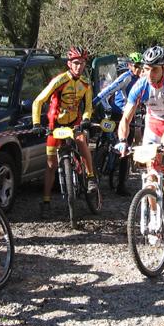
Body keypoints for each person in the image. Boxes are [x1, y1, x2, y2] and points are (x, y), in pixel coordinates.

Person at [116, 45, 164, 204]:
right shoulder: (140, 86)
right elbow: (125, 118)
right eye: (146, 69)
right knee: (151, 176)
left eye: (154, 70)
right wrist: (123, 141)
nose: (150, 74)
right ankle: (154, 217)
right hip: (153, 123)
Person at [32, 46, 97, 217]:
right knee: (51, 165)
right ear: (69, 64)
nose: (79, 67)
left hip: (75, 124)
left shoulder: (85, 84)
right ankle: (46, 201)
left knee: (83, 141)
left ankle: (90, 178)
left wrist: (86, 118)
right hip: (55, 126)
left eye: (82, 63)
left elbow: (88, 106)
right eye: (76, 63)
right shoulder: (59, 81)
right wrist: (37, 123)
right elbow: (38, 101)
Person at [92, 52, 143, 195]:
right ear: (129, 66)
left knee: (125, 151)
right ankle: (102, 159)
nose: (139, 69)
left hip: (130, 116)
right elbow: (108, 90)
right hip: (116, 114)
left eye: (141, 66)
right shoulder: (126, 77)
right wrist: (93, 104)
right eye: (136, 66)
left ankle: (121, 185)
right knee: (115, 143)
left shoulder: (142, 79)